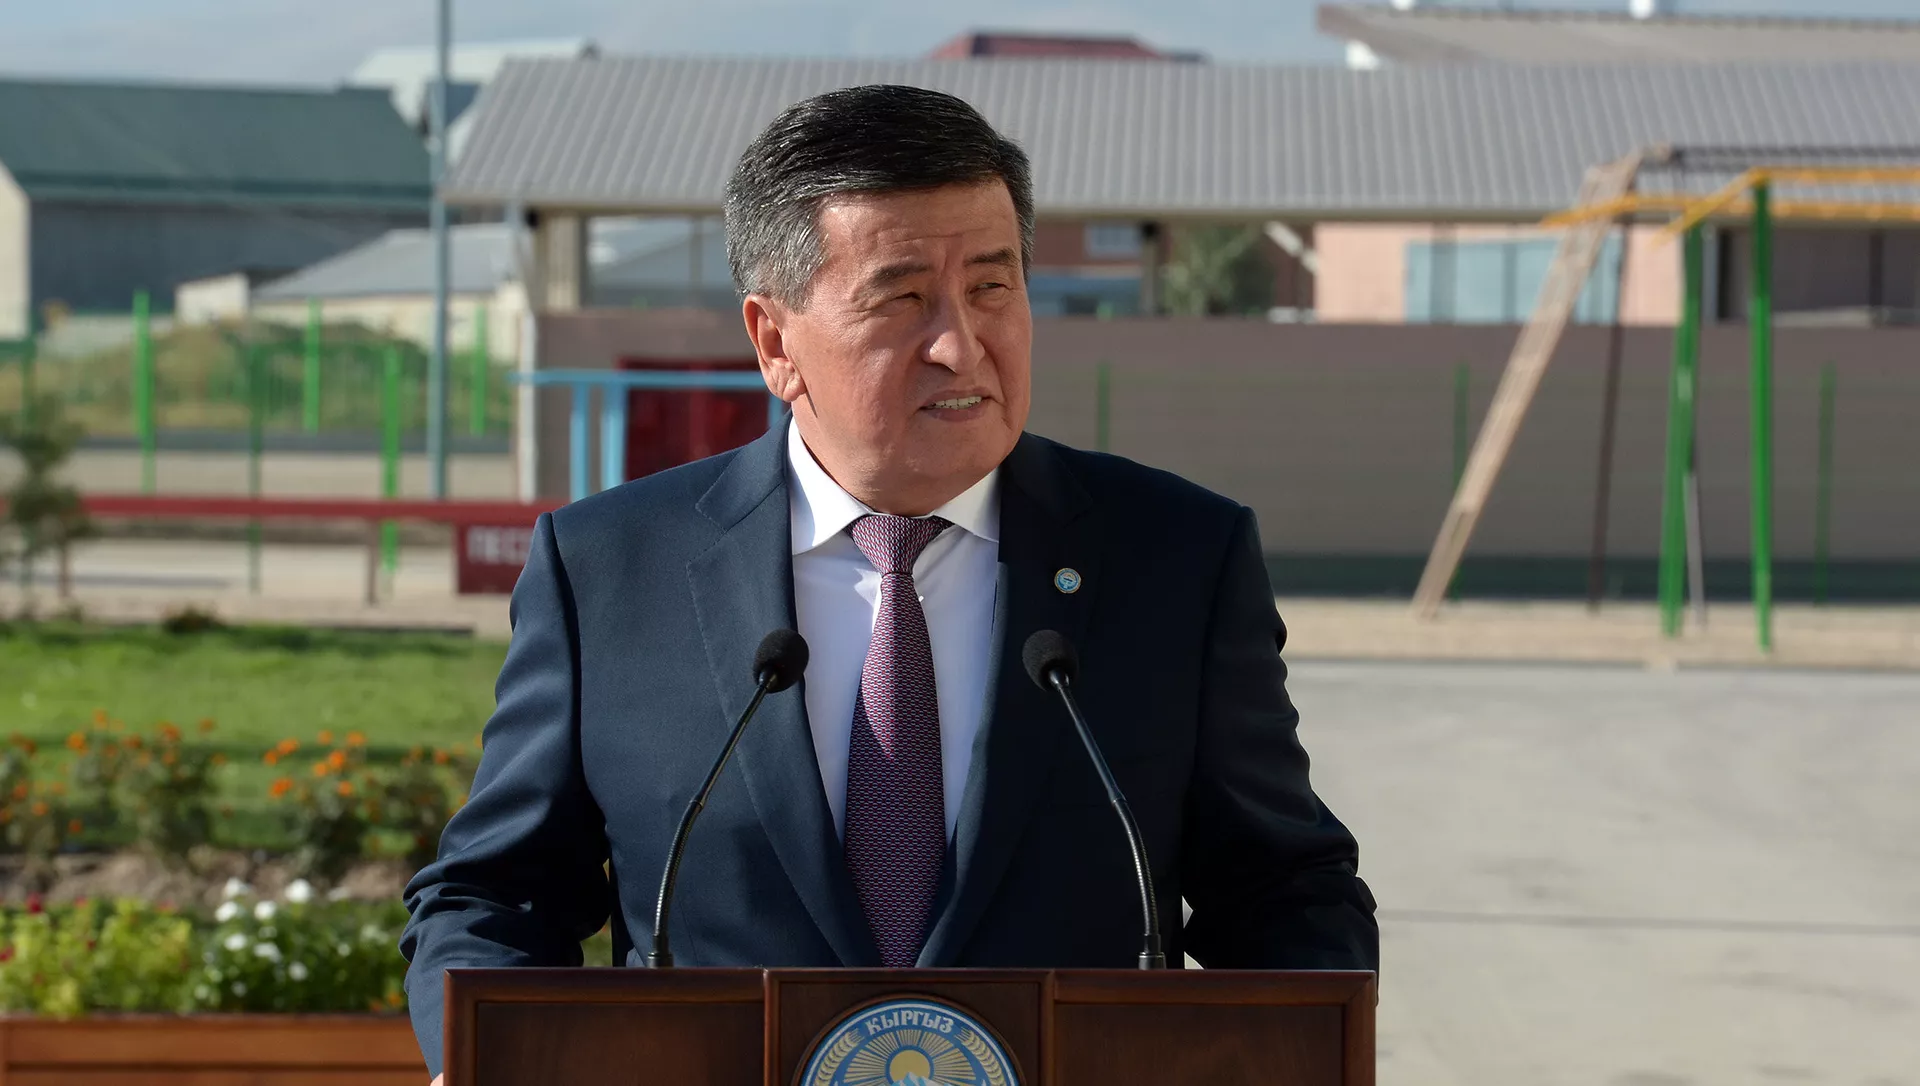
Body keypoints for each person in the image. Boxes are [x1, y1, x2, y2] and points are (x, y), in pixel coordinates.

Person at [400, 84, 1377, 1082]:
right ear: (775, 342)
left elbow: (1284, 891)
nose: (961, 344)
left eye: (992, 288)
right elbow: (495, 897)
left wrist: (1297, 1052)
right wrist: (478, 1061)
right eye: (902, 298)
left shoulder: (1177, 556)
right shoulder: (610, 569)